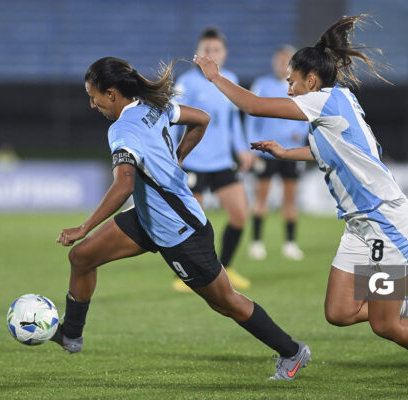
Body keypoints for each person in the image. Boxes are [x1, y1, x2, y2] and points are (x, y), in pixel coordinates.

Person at [194, 15, 408, 389]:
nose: (288, 88)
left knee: (384, 324)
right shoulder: (336, 104)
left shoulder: (324, 101)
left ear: (311, 80)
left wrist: (215, 77)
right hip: (359, 225)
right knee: (338, 312)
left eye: (291, 81)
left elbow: (254, 105)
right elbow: (334, 151)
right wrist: (286, 153)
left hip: (386, 223)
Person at [50, 57, 311, 381]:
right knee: (82, 256)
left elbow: (124, 184)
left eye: (94, 96)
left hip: (180, 231)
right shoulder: (153, 107)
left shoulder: (121, 129)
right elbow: (201, 119)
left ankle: (292, 351)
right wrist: (177, 159)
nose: (92, 104)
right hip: (150, 218)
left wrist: (83, 226)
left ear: (112, 94)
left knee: (225, 302)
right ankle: (71, 336)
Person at [172, 27, 253, 292]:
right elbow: (173, 121)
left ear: (224, 53)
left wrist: (242, 149)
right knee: (193, 223)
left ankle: (226, 268)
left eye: (216, 50)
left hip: (221, 162)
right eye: (207, 49)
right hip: (193, 162)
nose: (211, 54)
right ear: (198, 53)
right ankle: (189, 276)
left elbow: (232, 122)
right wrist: (173, 155)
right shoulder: (185, 83)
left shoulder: (229, 79)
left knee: (240, 215)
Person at [245, 45, 309, 261]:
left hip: (291, 151)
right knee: (261, 196)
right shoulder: (262, 85)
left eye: (286, 61)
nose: (282, 65)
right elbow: (251, 117)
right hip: (265, 150)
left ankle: (290, 243)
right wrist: (250, 146)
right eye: (279, 60)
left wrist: (299, 134)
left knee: (290, 198)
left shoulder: (299, 87)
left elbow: (308, 115)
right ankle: (256, 242)